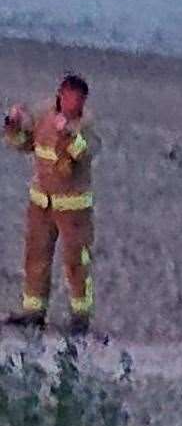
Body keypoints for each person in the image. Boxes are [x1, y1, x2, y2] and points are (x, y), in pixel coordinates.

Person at [3, 74, 99, 335]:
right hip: (41, 202)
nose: (72, 103)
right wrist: (12, 125)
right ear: (60, 95)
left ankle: (80, 317)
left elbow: (84, 152)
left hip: (73, 208)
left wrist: (67, 132)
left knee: (75, 261)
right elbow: (24, 144)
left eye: (77, 99)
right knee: (36, 255)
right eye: (68, 97)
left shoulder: (85, 123)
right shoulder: (43, 114)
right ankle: (34, 311)